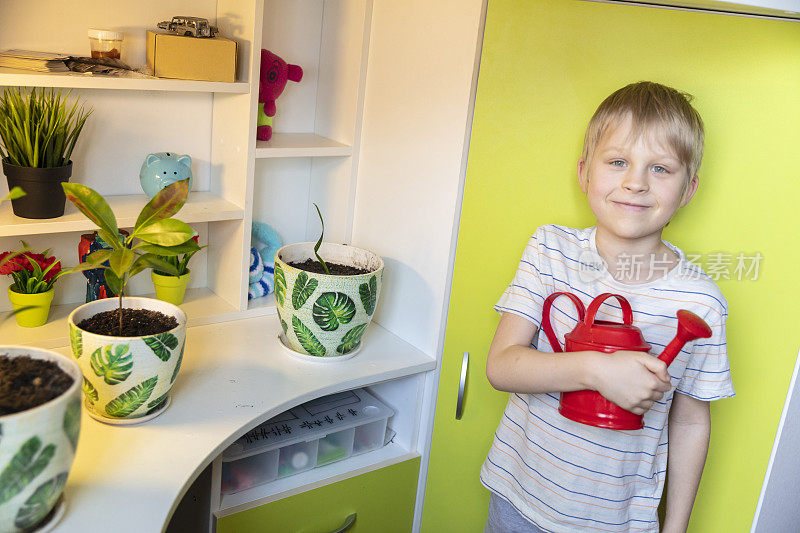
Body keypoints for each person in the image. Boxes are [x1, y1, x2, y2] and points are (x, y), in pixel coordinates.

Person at [481, 81, 735, 533]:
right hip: (517, 500)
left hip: (617, 523)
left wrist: (675, 527)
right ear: (584, 173)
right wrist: (597, 371)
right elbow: (502, 366)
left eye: (660, 168)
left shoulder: (701, 302)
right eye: (617, 162)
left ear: (688, 189)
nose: (635, 182)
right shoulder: (549, 250)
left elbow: (691, 423)